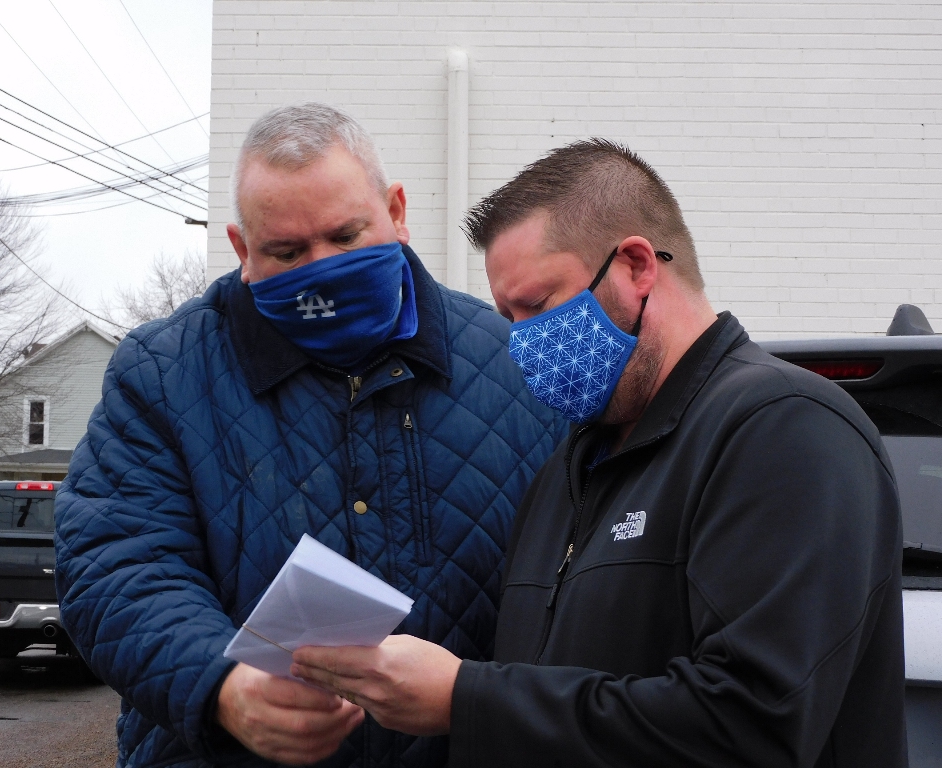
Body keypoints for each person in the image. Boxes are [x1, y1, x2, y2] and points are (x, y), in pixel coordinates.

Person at [291, 139, 908, 767]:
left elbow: (749, 729)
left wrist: (466, 700)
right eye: (509, 316)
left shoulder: (784, 429)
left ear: (636, 267)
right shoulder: (569, 469)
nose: (522, 340)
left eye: (538, 305)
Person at [53, 103, 564, 768]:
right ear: (242, 250)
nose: (322, 270)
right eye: (287, 253)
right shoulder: (162, 375)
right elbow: (115, 565)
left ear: (396, 211)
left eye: (346, 237)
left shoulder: (513, 362)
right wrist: (220, 687)